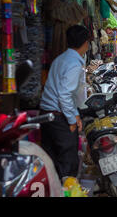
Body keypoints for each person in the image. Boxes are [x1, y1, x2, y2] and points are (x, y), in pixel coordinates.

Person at [40, 25, 90, 179]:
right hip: (58, 116)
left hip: (47, 115)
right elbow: (64, 94)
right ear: (86, 43)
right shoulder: (74, 64)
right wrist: (72, 118)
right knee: (68, 162)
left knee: (51, 159)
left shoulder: (61, 58)